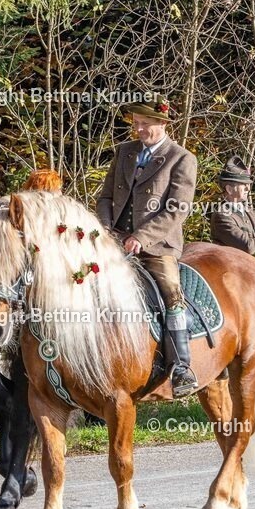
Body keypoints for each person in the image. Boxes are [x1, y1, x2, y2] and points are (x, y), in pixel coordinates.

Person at [96, 94, 199, 397]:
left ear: (162, 124)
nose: (138, 130)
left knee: (171, 293)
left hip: (157, 247)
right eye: (136, 124)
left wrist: (141, 237)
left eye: (144, 124)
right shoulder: (125, 152)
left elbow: (178, 208)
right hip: (113, 241)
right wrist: (103, 228)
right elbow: (104, 197)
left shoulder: (181, 158)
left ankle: (181, 366)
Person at [209, 155, 255, 255]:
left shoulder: (249, 211)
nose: (248, 189)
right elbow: (247, 247)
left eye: (248, 184)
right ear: (229, 189)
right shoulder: (222, 216)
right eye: (243, 184)